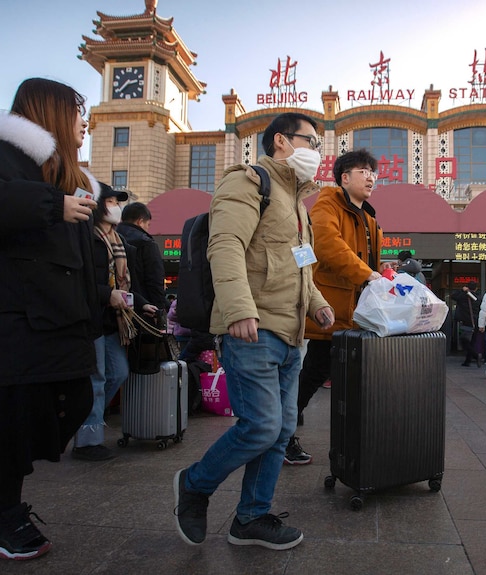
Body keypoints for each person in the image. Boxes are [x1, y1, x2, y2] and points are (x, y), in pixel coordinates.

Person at [0, 78, 100, 560]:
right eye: (77, 111)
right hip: (5, 321)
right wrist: (51, 204)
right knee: (9, 423)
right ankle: (3, 518)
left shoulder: (61, 173)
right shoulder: (2, 155)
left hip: (54, 320)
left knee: (75, 399)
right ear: (50, 112)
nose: (84, 122)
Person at [173, 112, 332, 550]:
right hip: (252, 328)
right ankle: (194, 484)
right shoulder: (248, 182)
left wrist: (317, 305)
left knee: (280, 432)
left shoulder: (297, 202)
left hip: (291, 334)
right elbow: (225, 246)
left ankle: (251, 518)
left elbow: (302, 266)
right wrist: (239, 308)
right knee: (261, 427)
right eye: (310, 141)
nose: (316, 152)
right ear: (281, 141)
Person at [287, 149, 383, 466]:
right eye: (363, 170)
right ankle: (284, 435)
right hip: (332, 312)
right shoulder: (329, 202)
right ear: (344, 177)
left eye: (373, 172)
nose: (370, 176)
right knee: (315, 375)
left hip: (357, 316)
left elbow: (369, 264)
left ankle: (349, 444)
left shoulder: (369, 218)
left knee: (327, 377)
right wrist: (367, 274)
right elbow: (327, 245)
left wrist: (381, 275)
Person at [72, 183, 157, 461]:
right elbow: (79, 282)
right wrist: (108, 294)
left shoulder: (119, 242)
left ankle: (87, 420)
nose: (115, 206)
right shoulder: (86, 238)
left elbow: (125, 282)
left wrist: (141, 302)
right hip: (91, 318)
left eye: (116, 201)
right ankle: (87, 440)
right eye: (109, 201)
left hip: (114, 321)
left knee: (118, 372)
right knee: (95, 378)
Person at [116, 201, 167, 310]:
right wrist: (160, 310)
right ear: (140, 221)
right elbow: (155, 281)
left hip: (113, 304)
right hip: (144, 308)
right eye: (148, 224)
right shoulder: (146, 243)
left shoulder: (111, 239)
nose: (148, 228)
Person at [452, 282, 482, 367]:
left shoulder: (463, 296)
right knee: (472, 342)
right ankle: (467, 361)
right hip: (476, 322)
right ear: (476, 288)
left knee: (464, 341)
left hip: (466, 322)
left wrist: (462, 290)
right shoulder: (479, 298)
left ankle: (476, 356)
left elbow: (453, 296)